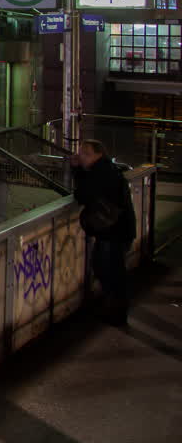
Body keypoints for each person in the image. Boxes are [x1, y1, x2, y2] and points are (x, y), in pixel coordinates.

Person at [71, 139, 136, 326]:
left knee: (108, 270)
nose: (81, 157)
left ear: (99, 154)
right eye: (81, 153)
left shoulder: (101, 173)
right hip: (117, 230)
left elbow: (82, 194)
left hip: (113, 232)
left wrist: (77, 170)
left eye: (86, 154)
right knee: (108, 268)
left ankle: (116, 312)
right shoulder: (108, 169)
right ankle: (115, 309)